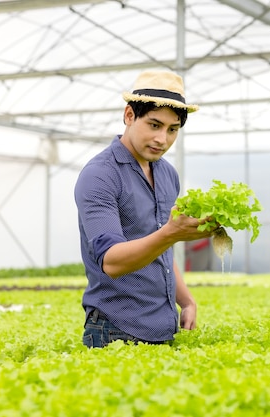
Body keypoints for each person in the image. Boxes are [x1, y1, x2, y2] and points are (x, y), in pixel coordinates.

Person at [74, 69, 213, 348]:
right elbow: (112, 262)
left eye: (172, 129)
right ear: (129, 115)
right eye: (154, 125)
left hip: (164, 326)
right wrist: (171, 234)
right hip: (114, 330)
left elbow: (158, 247)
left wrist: (185, 301)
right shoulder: (100, 175)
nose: (163, 139)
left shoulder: (167, 174)